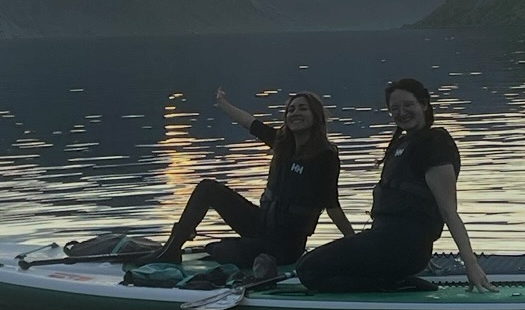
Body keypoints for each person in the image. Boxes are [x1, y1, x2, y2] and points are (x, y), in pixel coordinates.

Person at [294, 77, 497, 293]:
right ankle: (393, 280)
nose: (402, 112)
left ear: (424, 105)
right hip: (385, 241)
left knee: (308, 269)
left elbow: (449, 211)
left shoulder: (435, 144)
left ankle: (394, 284)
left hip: (405, 247)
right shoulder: (402, 144)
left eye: (408, 105)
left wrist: (471, 265)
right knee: (313, 267)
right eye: (395, 108)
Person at [145, 87, 355, 269]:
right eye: (291, 110)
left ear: (316, 116)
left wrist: (354, 243)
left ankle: (264, 261)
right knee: (208, 188)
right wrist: (223, 103)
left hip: (286, 244)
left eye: (302, 108)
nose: (295, 113)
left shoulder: (325, 156)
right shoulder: (282, 145)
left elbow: (332, 206)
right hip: (261, 226)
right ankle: (171, 250)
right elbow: (249, 123)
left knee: (223, 250)